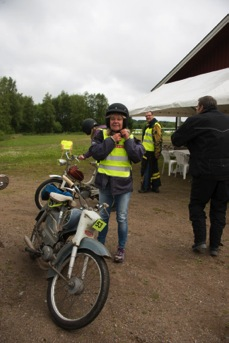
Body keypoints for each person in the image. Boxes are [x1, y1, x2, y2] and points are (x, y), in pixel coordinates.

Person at [171, 95, 229, 257]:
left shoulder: (196, 120)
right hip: (225, 173)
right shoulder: (227, 119)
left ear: (201, 107)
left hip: (204, 171)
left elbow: (176, 139)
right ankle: (215, 246)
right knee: (220, 208)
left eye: (197, 107)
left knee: (197, 205)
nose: (196, 109)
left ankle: (201, 241)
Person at [89, 103, 145, 262]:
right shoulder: (101, 135)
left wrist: (127, 140)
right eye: (112, 119)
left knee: (121, 218)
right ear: (108, 121)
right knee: (102, 217)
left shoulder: (131, 137)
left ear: (124, 122)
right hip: (105, 185)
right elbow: (97, 154)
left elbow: (136, 157)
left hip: (123, 186)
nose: (115, 121)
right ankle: (100, 244)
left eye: (119, 119)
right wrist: (112, 140)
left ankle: (121, 248)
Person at [138, 111, 162, 193]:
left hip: (151, 152)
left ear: (153, 115)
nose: (147, 117)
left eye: (149, 115)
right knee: (154, 170)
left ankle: (145, 187)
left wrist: (157, 153)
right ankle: (155, 187)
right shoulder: (148, 126)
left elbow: (158, 141)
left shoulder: (155, 125)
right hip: (146, 151)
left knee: (146, 170)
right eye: (146, 116)